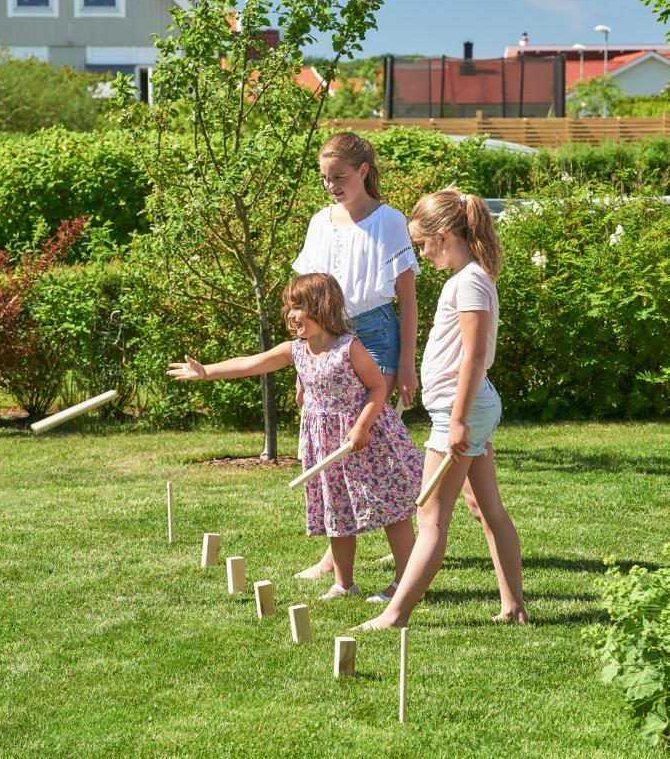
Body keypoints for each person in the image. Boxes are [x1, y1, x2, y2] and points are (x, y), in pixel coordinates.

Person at [167, 272, 424, 602]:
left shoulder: (350, 347)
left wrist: (361, 427)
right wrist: (206, 371)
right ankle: (344, 584)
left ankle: (406, 581)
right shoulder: (296, 351)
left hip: (366, 439)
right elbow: (250, 363)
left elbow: (376, 388)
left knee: (392, 508)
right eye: (289, 307)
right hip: (325, 443)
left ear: (322, 307)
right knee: (337, 509)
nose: (291, 314)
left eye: (299, 306)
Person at [357, 189, 528, 629]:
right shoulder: (470, 277)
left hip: (461, 411)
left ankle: (394, 616)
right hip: (463, 409)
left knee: (429, 516)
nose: (423, 253)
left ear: (445, 236)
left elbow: (472, 357)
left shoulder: (469, 280)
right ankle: (514, 607)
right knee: (485, 507)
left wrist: (456, 422)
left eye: (423, 244)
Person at [292, 132, 420, 592]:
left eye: (340, 177)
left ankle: (404, 560)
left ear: (363, 171)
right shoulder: (319, 222)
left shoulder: (390, 221)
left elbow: (406, 297)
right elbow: (307, 297)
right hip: (327, 332)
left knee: (371, 442)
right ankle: (336, 560)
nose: (331, 186)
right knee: (332, 444)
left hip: (378, 332)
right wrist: (305, 373)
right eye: (325, 178)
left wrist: (407, 363)